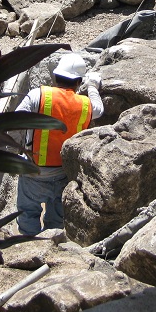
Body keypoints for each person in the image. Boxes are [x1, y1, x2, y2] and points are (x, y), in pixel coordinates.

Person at [16, 53, 104, 236]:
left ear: (55, 77)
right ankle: (52, 250)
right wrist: (93, 87)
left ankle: (26, 248)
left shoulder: (38, 95)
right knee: (56, 220)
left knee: (28, 215)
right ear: (79, 82)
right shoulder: (85, 105)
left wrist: (14, 150)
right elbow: (99, 109)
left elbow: (15, 120)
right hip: (64, 174)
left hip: (34, 173)